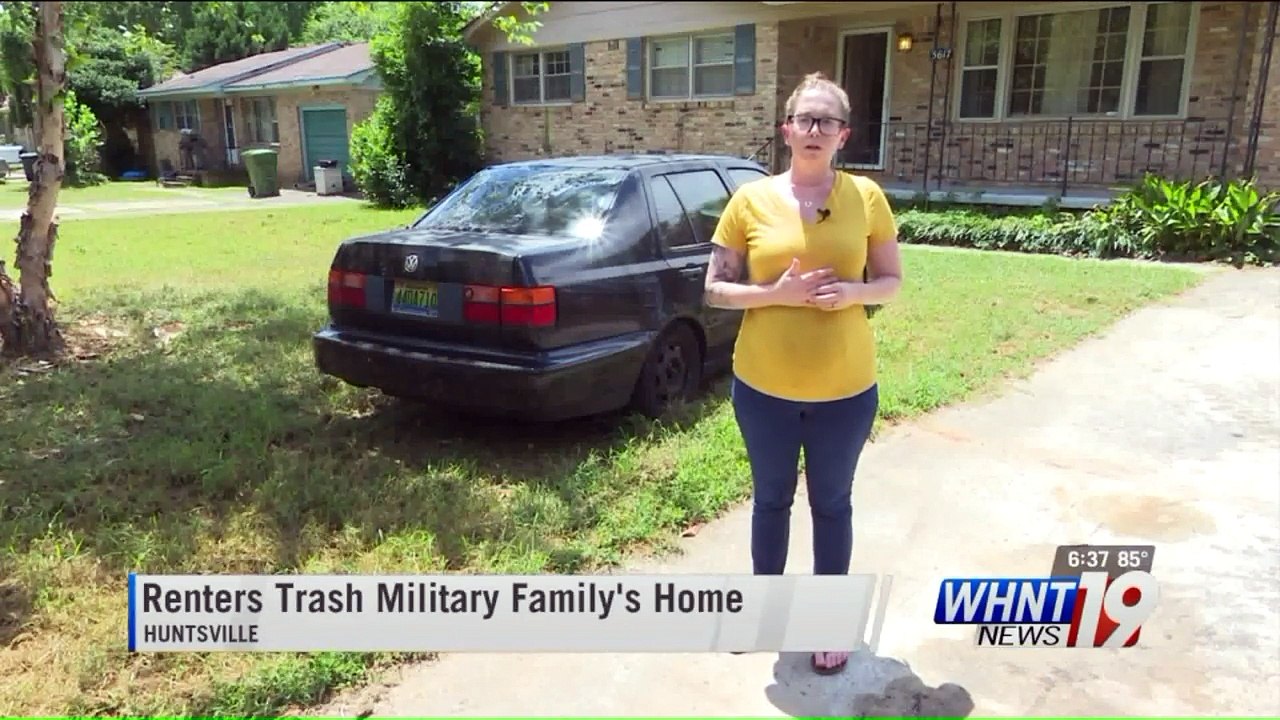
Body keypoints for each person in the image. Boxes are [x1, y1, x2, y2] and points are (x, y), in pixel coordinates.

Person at [703, 72, 903, 676]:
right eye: (805, 119)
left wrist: (854, 293)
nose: (815, 131)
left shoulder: (866, 198)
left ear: (844, 135)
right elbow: (714, 290)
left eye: (828, 121)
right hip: (762, 388)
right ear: (786, 129)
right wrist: (778, 292)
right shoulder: (750, 200)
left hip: (845, 390)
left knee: (832, 503)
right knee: (770, 501)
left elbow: (892, 283)